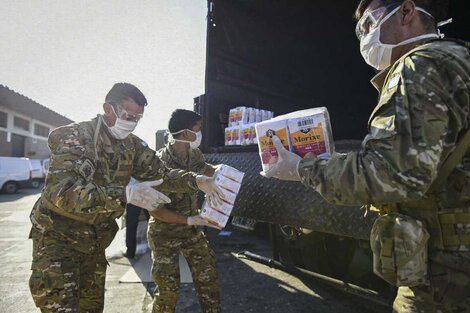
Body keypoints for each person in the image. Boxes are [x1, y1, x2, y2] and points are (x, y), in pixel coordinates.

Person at [262, 1, 470, 312]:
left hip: (447, 275)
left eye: (369, 23)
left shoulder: (417, 67)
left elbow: (391, 175)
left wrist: (304, 168)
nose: (365, 37)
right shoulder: (459, 59)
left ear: (406, 11)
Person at [28, 83, 224, 313]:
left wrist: (196, 180)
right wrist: (126, 194)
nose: (131, 122)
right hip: (58, 239)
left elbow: (160, 173)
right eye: (128, 115)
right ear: (108, 109)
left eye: (137, 118)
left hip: (94, 242)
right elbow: (62, 192)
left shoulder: (132, 145)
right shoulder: (77, 137)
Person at [147, 109, 221, 313]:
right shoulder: (159, 164)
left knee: (209, 279)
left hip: (192, 233)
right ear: (187, 133)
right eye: (198, 128)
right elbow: (156, 211)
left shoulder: (194, 153)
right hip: (165, 233)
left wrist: (219, 170)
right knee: (168, 290)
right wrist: (189, 220)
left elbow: (203, 168)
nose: (200, 133)